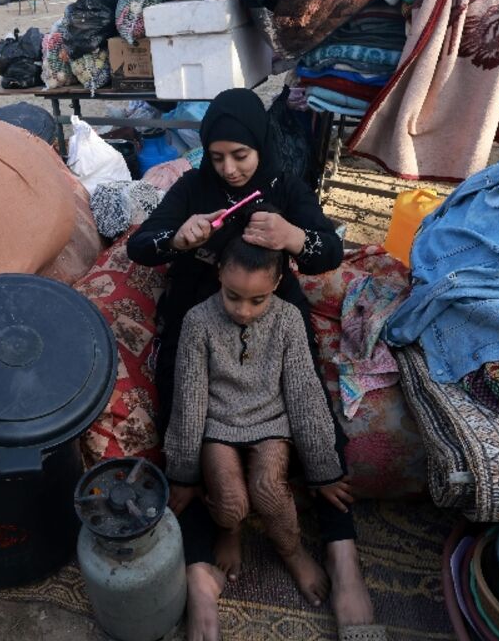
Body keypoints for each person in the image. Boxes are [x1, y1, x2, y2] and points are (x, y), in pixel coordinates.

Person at [128, 89, 380, 641]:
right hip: (199, 308)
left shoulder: (283, 184)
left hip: (273, 303)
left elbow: (329, 250)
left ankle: (342, 559)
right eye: (217, 156)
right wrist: (179, 236)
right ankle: (201, 579)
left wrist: (293, 236)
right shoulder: (193, 187)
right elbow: (140, 247)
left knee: (312, 396)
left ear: (260, 146)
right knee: (180, 418)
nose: (230, 168)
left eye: (240, 155)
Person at [165, 236, 348, 613]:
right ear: (219, 275)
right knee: (231, 502)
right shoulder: (198, 321)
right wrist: (182, 475)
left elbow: (304, 395)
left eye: (257, 300)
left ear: (277, 284)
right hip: (218, 423)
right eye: (233, 296)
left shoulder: (288, 320)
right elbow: (189, 400)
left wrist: (324, 471)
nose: (244, 311)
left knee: (268, 490)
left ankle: (292, 550)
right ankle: (231, 531)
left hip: (270, 421)